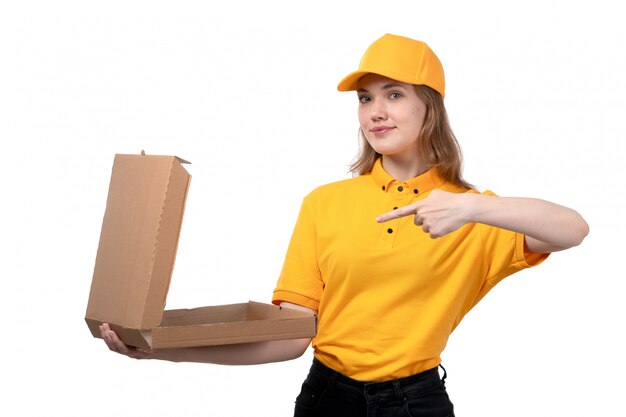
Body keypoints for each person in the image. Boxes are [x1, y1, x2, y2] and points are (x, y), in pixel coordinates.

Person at [100, 34, 589, 416]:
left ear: (430, 107)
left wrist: (473, 208)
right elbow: (291, 337)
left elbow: (573, 229)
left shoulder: (472, 213)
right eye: (364, 97)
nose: (375, 111)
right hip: (324, 400)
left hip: (414, 405)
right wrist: (164, 351)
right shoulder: (325, 203)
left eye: (394, 95)